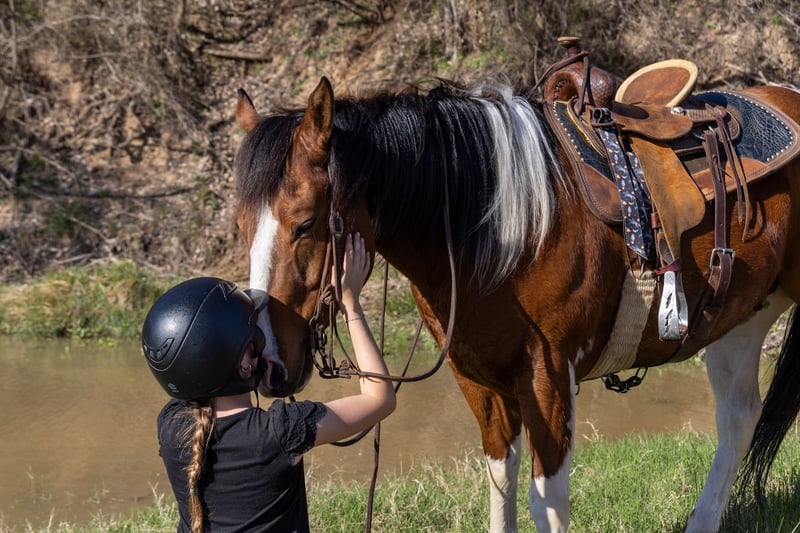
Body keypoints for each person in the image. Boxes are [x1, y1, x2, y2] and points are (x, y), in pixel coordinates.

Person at [142, 233, 396, 532]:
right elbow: (380, 398)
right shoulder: (280, 431)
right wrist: (350, 304)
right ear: (244, 365)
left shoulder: (171, 424)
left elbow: (191, 369)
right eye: (255, 340)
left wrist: (247, 361)